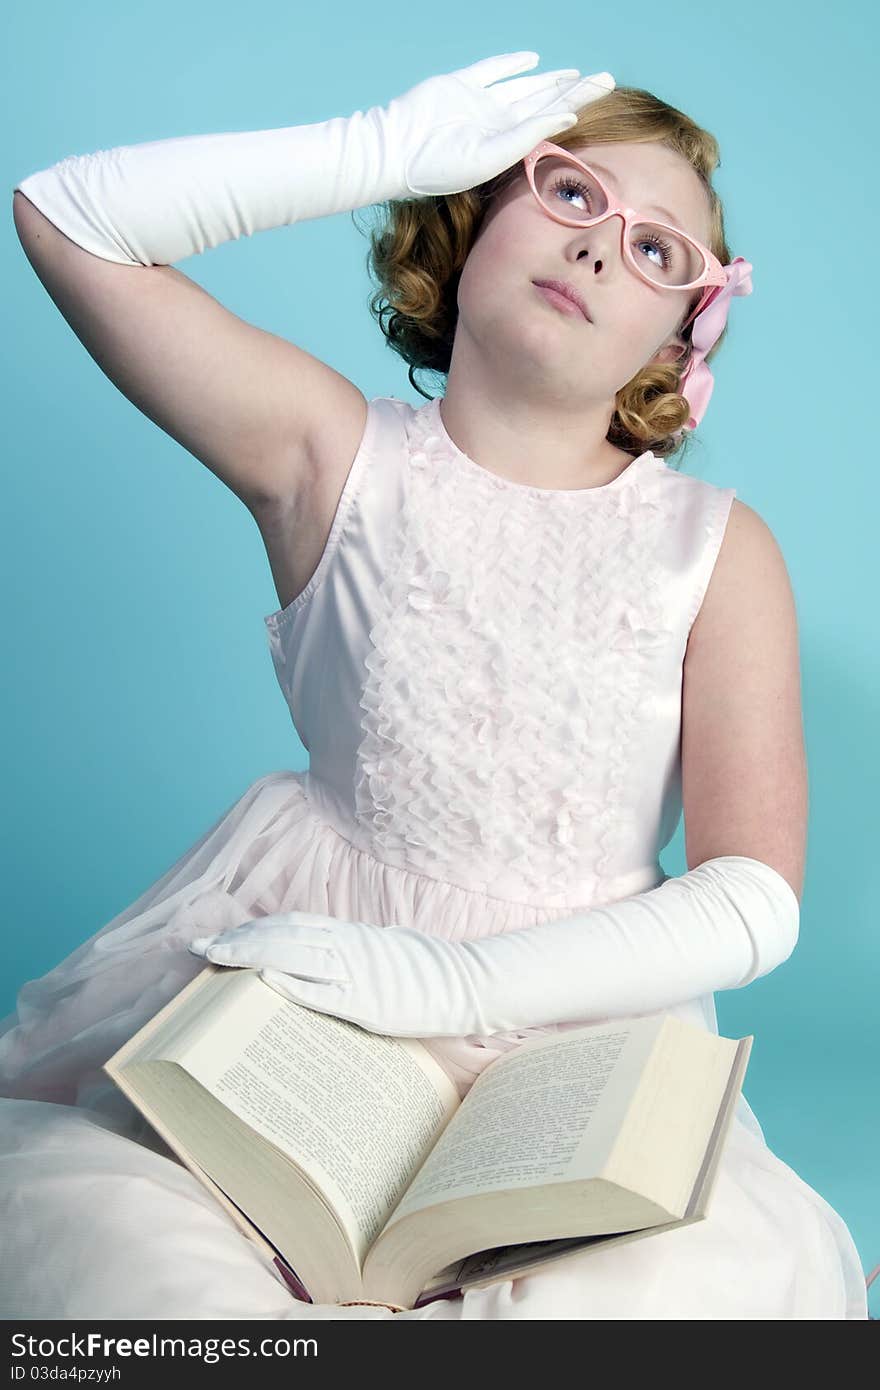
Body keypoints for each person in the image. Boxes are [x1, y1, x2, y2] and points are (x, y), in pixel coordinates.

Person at [2, 51, 868, 1319]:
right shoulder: (330, 454)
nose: (596, 251)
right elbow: (68, 217)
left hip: (581, 1021)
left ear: (682, 331)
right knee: (120, 1256)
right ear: (473, 210)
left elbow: (752, 897)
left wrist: (455, 987)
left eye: (657, 252)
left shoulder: (714, 547)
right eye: (571, 196)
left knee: (677, 1284)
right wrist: (371, 150)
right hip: (316, 995)